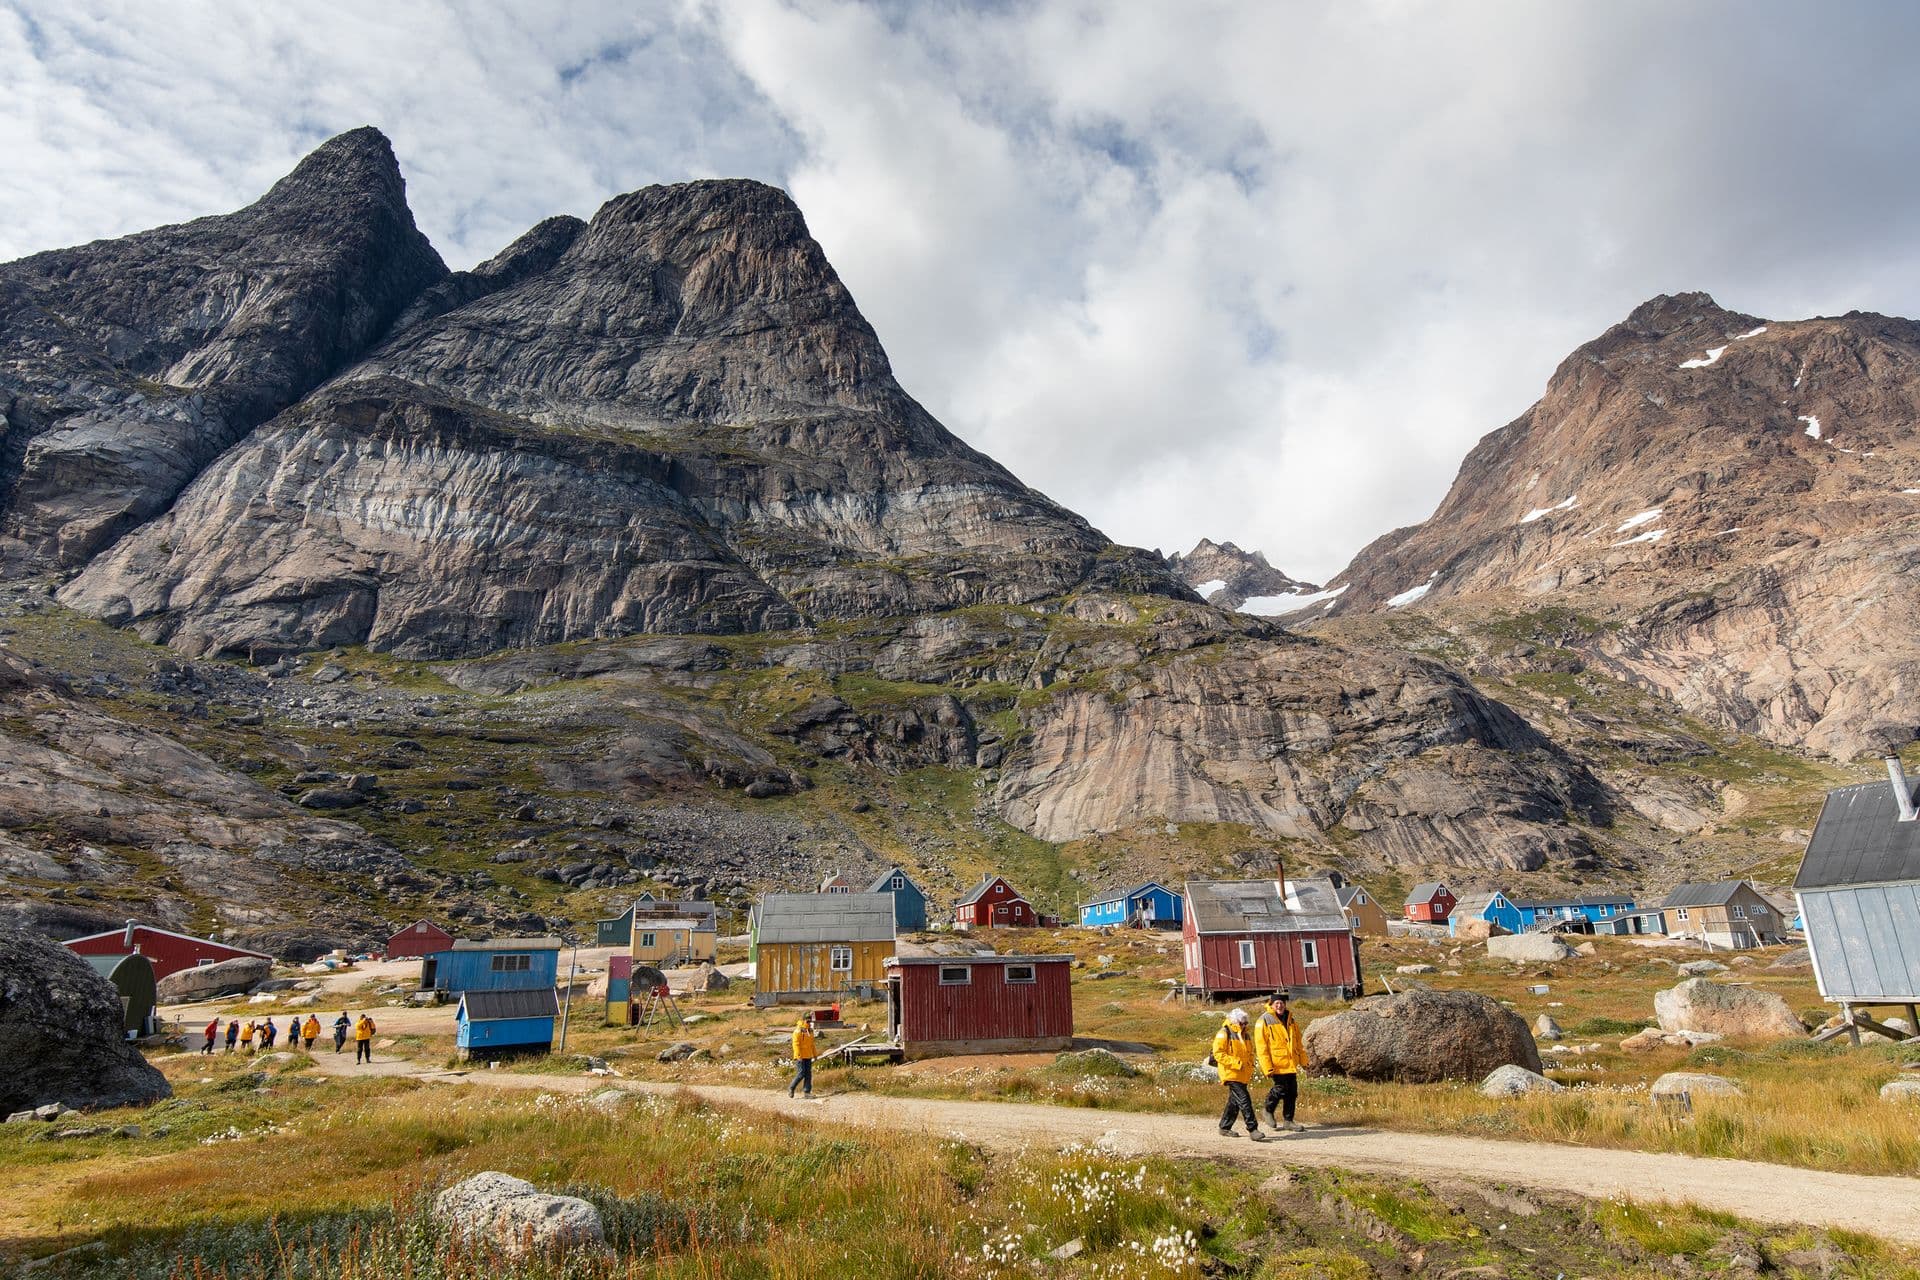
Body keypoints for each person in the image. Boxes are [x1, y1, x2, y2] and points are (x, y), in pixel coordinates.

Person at [1254, 990, 1307, 1133]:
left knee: (1292, 1092)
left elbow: (1298, 1043)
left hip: (1290, 1063)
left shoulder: (1291, 1019)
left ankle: (1288, 1121)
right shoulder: (1264, 1020)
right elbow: (1261, 1046)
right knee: (1280, 1089)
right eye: (1277, 1003)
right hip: (1276, 1063)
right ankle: (1267, 1109)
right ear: (1271, 1004)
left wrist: (1304, 1061)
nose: (1280, 1006)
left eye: (1282, 1003)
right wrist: (1267, 1067)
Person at [1212, 1007, 1266, 1141]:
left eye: (1246, 1023)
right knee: (1244, 1100)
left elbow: (1250, 1053)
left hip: (1243, 1073)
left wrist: (1250, 1065)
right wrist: (1236, 1063)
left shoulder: (1246, 1035)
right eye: (1242, 1023)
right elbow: (1218, 1053)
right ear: (1235, 1021)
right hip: (1230, 1072)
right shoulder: (1224, 1032)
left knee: (1234, 1101)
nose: (1244, 1025)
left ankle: (1224, 1127)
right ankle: (1253, 1129)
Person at [788, 1013, 818, 1099]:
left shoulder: (810, 1031)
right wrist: (798, 1055)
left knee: (808, 1074)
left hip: (808, 1055)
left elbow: (812, 1044)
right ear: (803, 1020)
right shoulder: (798, 1031)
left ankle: (807, 1092)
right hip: (800, 1057)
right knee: (801, 1074)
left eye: (810, 1020)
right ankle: (791, 1088)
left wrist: (815, 1054)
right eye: (807, 1020)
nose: (809, 1022)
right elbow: (795, 1044)